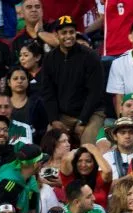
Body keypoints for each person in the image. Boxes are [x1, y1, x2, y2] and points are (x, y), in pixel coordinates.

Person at [40, 16, 105, 146]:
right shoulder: (49, 59)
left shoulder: (90, 56)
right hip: (64, 115)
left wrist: (82, 121)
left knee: (88, 147)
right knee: (50, 143)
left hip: (91, 113)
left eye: (71, 32)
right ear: (56, 35)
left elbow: (95, 92)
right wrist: (53, 120)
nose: (68, 36)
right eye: (64, 33)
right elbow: (48, 92)